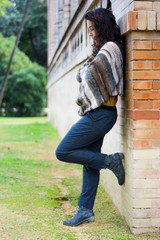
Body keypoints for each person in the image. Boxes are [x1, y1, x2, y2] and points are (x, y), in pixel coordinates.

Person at [55, 8, 125, 227]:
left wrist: (87, 67)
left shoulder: (111, 48)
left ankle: (111, 161)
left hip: (101, 114)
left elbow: (88, 74)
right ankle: (85, 211)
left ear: (102, 26)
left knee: (63, 151)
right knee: (88, 162)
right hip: (99, 113)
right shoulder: (102, 49)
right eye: (89, 30)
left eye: (93, 29)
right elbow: (84, 72)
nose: (91, 34)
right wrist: (87, 67)